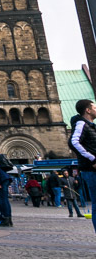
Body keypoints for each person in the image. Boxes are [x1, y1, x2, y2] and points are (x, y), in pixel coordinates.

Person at [69, 98, 96, 234]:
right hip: (91, 169)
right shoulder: (81, 123)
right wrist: (93, 159)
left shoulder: (90, 125)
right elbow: (74, 142)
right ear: (88, 110)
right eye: (94, 107)